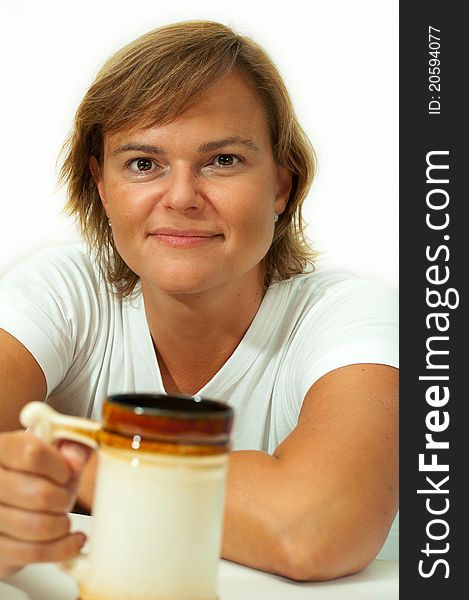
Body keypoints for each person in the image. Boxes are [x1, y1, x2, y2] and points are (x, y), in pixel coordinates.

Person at [0, 20, 398, 582]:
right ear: (101, 185)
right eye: (144, 164)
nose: (182, 197)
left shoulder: (350, 314)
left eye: (223, 161)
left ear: (280, 185)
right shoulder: (64, 291)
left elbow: (311, 529)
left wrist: (67, 464)